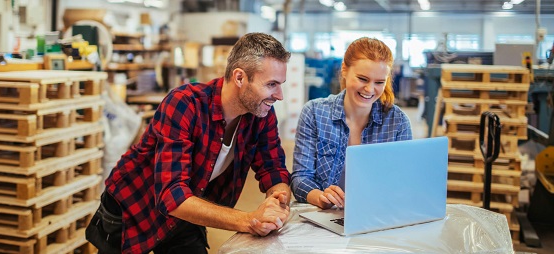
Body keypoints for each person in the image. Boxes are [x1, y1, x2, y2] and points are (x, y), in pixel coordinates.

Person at [86, 32, 292, 254]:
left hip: (186, 212)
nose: (279, 95)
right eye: (272, 84)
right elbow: (171, 195)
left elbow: (273, 168)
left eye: (281, 84)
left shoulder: (261, 114)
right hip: (134, 208)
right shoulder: (185, 104)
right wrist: (249, 220)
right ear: (240, 78)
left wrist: (277, 198)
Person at [290, 37, 412, 209]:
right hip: (325, 215)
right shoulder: (314, 113)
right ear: (344, 70)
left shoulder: (397, 122)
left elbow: (404, 182)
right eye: (363, 79)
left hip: (376, 213)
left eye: (379, 82)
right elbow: (300, 178)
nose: (370, 89)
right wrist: (320, 197)